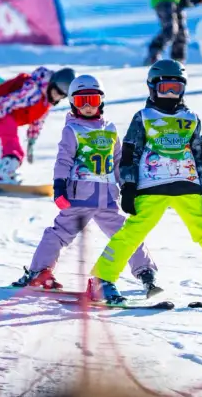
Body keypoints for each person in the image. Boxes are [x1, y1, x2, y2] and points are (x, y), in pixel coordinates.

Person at [85, 59, 202, 305]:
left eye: (176, 88)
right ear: (152, 88)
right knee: (132, 232)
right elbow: (130, 153)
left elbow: (201, 155)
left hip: (187, 184)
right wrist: (128, 186)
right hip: (151, 186)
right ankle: (102, 279)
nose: (170, 94)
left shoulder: (191, 118)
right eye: (165, 88)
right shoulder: (144, 117)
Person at [11, 74, 161, 297]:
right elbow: (63, 160)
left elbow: (118, 161)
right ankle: (38, 271)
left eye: (93, 99)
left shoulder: (110, 129)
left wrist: (128, 187)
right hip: (78, 197)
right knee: (59, 234)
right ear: (73, 103)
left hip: (107, 198)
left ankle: (145, 272)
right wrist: (59, 186)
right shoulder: (72, 130)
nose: (89, 106)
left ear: (101, 100)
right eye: (82, 102)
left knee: (127, 234)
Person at [0, 66, 76, 184]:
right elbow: (5, 102)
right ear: (52, 84)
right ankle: (6, 171)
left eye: (62, 95)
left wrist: (31, 140)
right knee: (10, 138)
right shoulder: (33, 90)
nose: (57, 96)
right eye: (57, 91)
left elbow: (37, 121)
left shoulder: (46, 101)